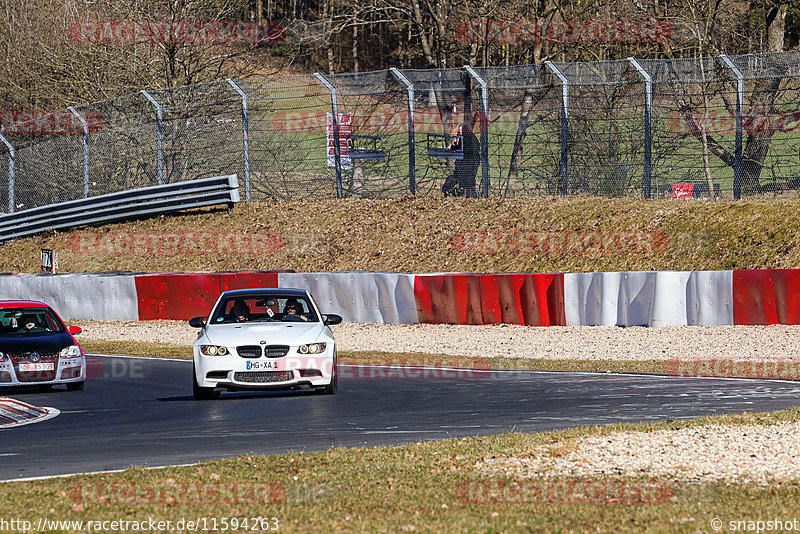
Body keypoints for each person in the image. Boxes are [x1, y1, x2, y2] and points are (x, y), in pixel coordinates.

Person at [442, 117, 480, 198]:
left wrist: (452, 147)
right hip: (473, 161)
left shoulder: (465, 139)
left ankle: (465, 193)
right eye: (459, 131)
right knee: (469, 179)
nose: (459, 133)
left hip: (468, 161)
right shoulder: (471, 137)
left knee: (465, 179)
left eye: (460, 131)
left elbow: (459, 147)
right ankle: (468, 194)